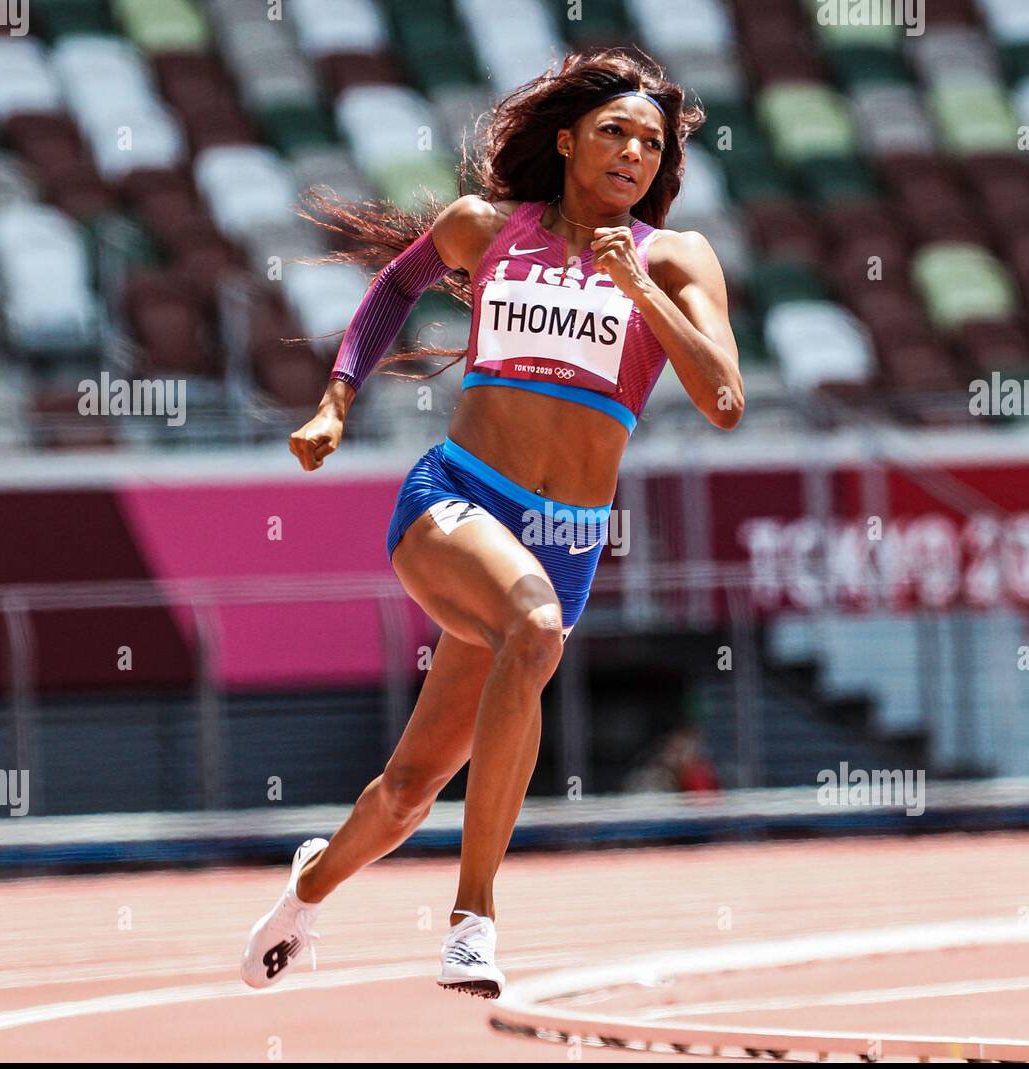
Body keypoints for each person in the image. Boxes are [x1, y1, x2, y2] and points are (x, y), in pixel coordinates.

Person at [241, 47, 743, 1000]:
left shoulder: (676, 260)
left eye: (651, 143)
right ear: (566, 141)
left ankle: (303, 894)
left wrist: (639, 292)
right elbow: (394, 288)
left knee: (410, 788)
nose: (634, 153)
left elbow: (722, 397)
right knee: (532, 625)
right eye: (614, 133)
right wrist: (338, 400)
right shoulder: (486, 227)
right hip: (454, 498)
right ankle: (473, 922)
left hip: (569, 538)